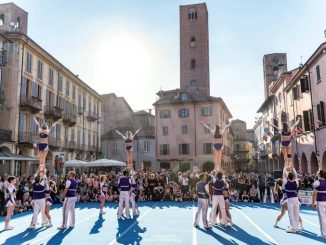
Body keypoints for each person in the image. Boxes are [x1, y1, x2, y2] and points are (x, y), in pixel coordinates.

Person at [312, 170, 326, 238]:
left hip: (321, 201)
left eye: (317, 172)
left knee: (322, 218)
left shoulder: (317, 182)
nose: (316, 173)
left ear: (319, 174)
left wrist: (312, 203)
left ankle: (323, 234)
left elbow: (314, 194)